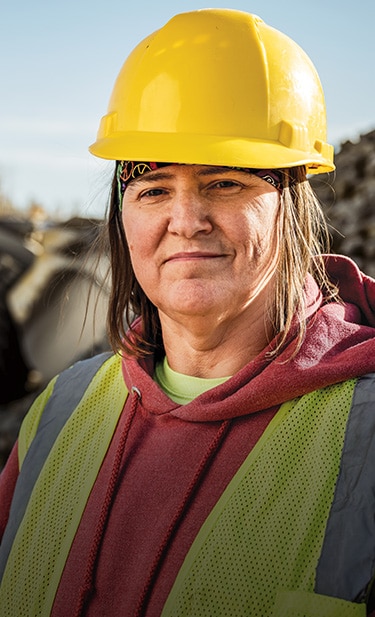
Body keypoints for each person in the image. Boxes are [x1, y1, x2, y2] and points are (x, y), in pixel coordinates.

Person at [1, 8, 375, 617]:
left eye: (224, 182)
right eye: (153, 189)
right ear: (123, 215)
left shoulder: (364, 431)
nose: (186, 220)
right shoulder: (60, 413)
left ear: (294, 205)